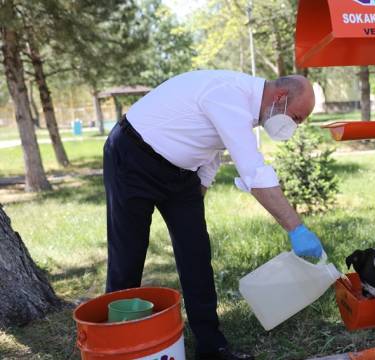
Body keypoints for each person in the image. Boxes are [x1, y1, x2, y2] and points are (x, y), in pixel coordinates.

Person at [102, 70, 323, 360]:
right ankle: (115, 345)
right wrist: (296, 228)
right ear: (280, 97)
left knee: (196, 254)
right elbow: (254, 173)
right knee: (128, 255)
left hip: (181, 175)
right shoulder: (230, 95)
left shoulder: (246, 107)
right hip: (133, 156)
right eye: (296, 118)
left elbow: (213, 145)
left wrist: (199, 192)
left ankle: (211, 346)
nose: (294, 126)